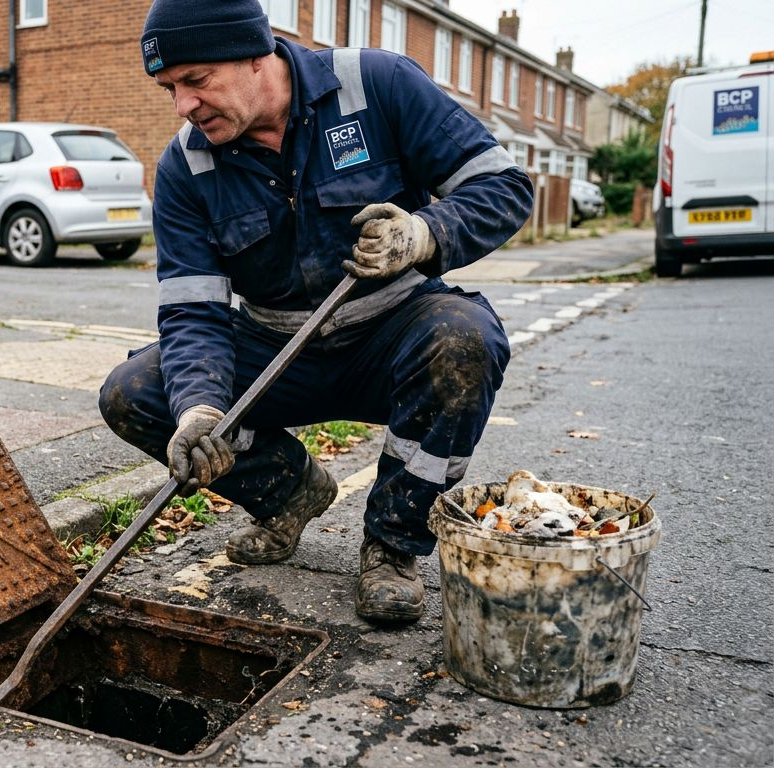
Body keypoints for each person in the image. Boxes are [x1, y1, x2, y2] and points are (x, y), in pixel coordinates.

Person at [100, 0, 533, 624]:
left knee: (464, 339)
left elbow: (503, 188)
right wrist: (199, 407)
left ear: (255, 54)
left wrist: (424, 233)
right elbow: (194, 312)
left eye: (196, 81)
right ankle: (289, 491)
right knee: (135, 391)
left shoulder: (377, 83)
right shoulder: (185, 167)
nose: (183, 107)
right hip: (278, 348)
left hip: (392, 334)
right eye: (170, 88)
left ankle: (393, 544)